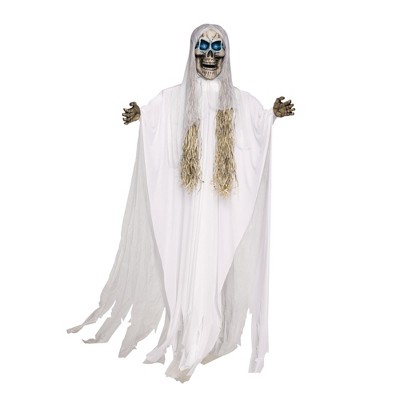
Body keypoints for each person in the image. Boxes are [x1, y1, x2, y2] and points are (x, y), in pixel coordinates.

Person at [67, 23, 295, 383]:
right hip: (188, 200)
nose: (210, 55)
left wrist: (271, 115)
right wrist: (142, 115)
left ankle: (207, 331)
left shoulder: (235, 100)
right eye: (203, 46)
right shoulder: (177, 97)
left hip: (218, 202)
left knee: (212, 262)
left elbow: (256, 122)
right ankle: (187, 329)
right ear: (192, 52)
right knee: (185, 260)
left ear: (226, 54)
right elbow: (158, 114)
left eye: (217, 47)